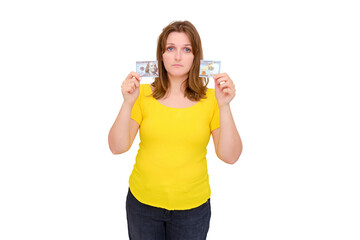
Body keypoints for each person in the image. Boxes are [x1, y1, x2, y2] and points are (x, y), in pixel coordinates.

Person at [108, 20, 242, 240]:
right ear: (161, 55)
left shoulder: (212, 100)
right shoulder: (141, 94)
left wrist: (225, 106)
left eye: (186, 49)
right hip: (142, 206)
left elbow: (230, 156)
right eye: (171, 48)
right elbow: (117, 147)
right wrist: (127, 103)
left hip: (192, 211)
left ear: (195, 56)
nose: (178, 57)